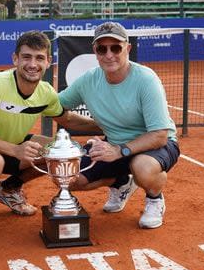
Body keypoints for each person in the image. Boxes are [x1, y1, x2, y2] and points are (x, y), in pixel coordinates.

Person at [0, 30, 100, 233]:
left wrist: (104, 125)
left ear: (48, 61)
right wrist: (15, 150)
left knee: (54, 150)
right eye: (26, 57)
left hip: (11, 145)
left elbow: (66, 119)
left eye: (39, 58)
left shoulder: (45, 91)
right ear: (15, 58)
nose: (33, 64)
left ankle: (9, 189)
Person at [58, 21, 180, 229]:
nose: (109, 55)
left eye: (115, 47)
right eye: (102, 48)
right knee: (72, 179)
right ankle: (121, 182)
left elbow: (159, 134)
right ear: (95, 52)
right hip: (113, 145)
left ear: (128, 49)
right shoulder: (88, 80)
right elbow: (56, 106)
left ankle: (154, 199)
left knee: (142, 167)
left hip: (156, 146)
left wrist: (120, 150)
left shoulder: (146, 79)